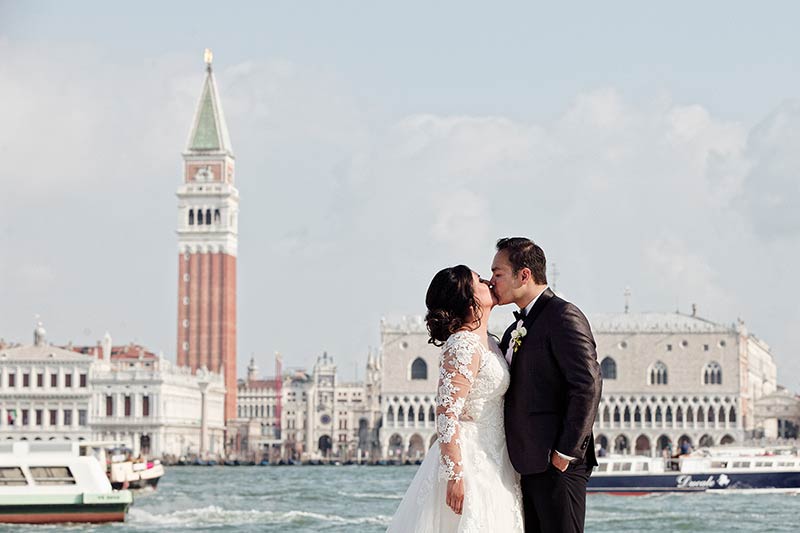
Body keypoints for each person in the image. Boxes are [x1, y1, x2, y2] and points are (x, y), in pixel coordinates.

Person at [386, 265, 523, 532]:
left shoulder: (490, 342)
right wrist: (455, 475)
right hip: (470, 459)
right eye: (479, 281)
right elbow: (447, 412)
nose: (489, 282)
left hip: (495, 455)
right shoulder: (463, 344)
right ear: (468, 298)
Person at [491, 237, 602, 533]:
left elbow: (587, 385)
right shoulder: (515, 328)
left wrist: (564, 453)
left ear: (524, 275)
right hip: (526, 464)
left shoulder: (563, 316)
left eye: (498, 273)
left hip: (557, 464)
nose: (492, 282)